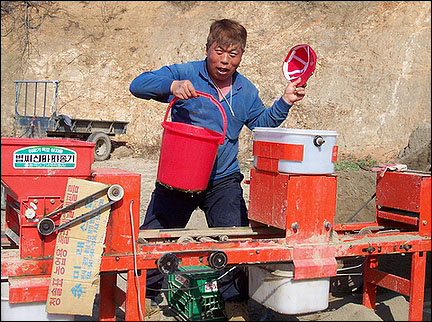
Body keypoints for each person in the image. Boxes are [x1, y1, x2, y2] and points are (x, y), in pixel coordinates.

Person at [129, 18, 306, 320]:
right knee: (154, 238)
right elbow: (137, 85)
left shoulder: (246, 90)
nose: (225, 60)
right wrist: (171, 86)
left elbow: (261, 125)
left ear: (241, 56)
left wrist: (285, 102)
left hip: (222, 180)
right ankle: (145, 296)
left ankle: (234, 302)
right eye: (219, 51)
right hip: (178, 178)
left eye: (233, 54)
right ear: (207, 48)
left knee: (235, 241)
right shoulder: (185, 73)